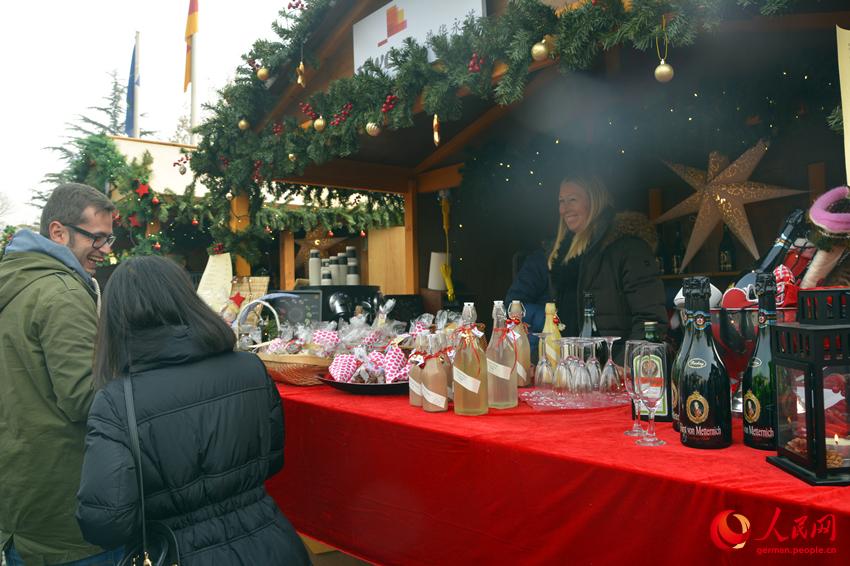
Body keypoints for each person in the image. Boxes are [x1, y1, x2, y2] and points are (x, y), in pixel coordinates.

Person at [75, 256, 310, 565]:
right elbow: (271, 460)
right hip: (271, 543)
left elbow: (105, 522)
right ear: (187, 299)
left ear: (116, 319)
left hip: (180, 550)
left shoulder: (117, 401)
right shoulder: (250, 368)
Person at [0, 183, 119, 565]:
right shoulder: (63, 293)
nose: (105, 250)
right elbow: (87, 398)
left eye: (108, 238)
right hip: (65, 512)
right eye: (96, 238)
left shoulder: (16, 281)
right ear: (58, 232)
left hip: (22, 496)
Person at [506, 176, 667, 363]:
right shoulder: (560, 256)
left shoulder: (628, 248)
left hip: (614, 368)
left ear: (594, 201)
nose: (565, 208)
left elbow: (651, 320)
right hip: (572, 368)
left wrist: (623, 366)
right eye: (561, 201)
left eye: (572, 199)